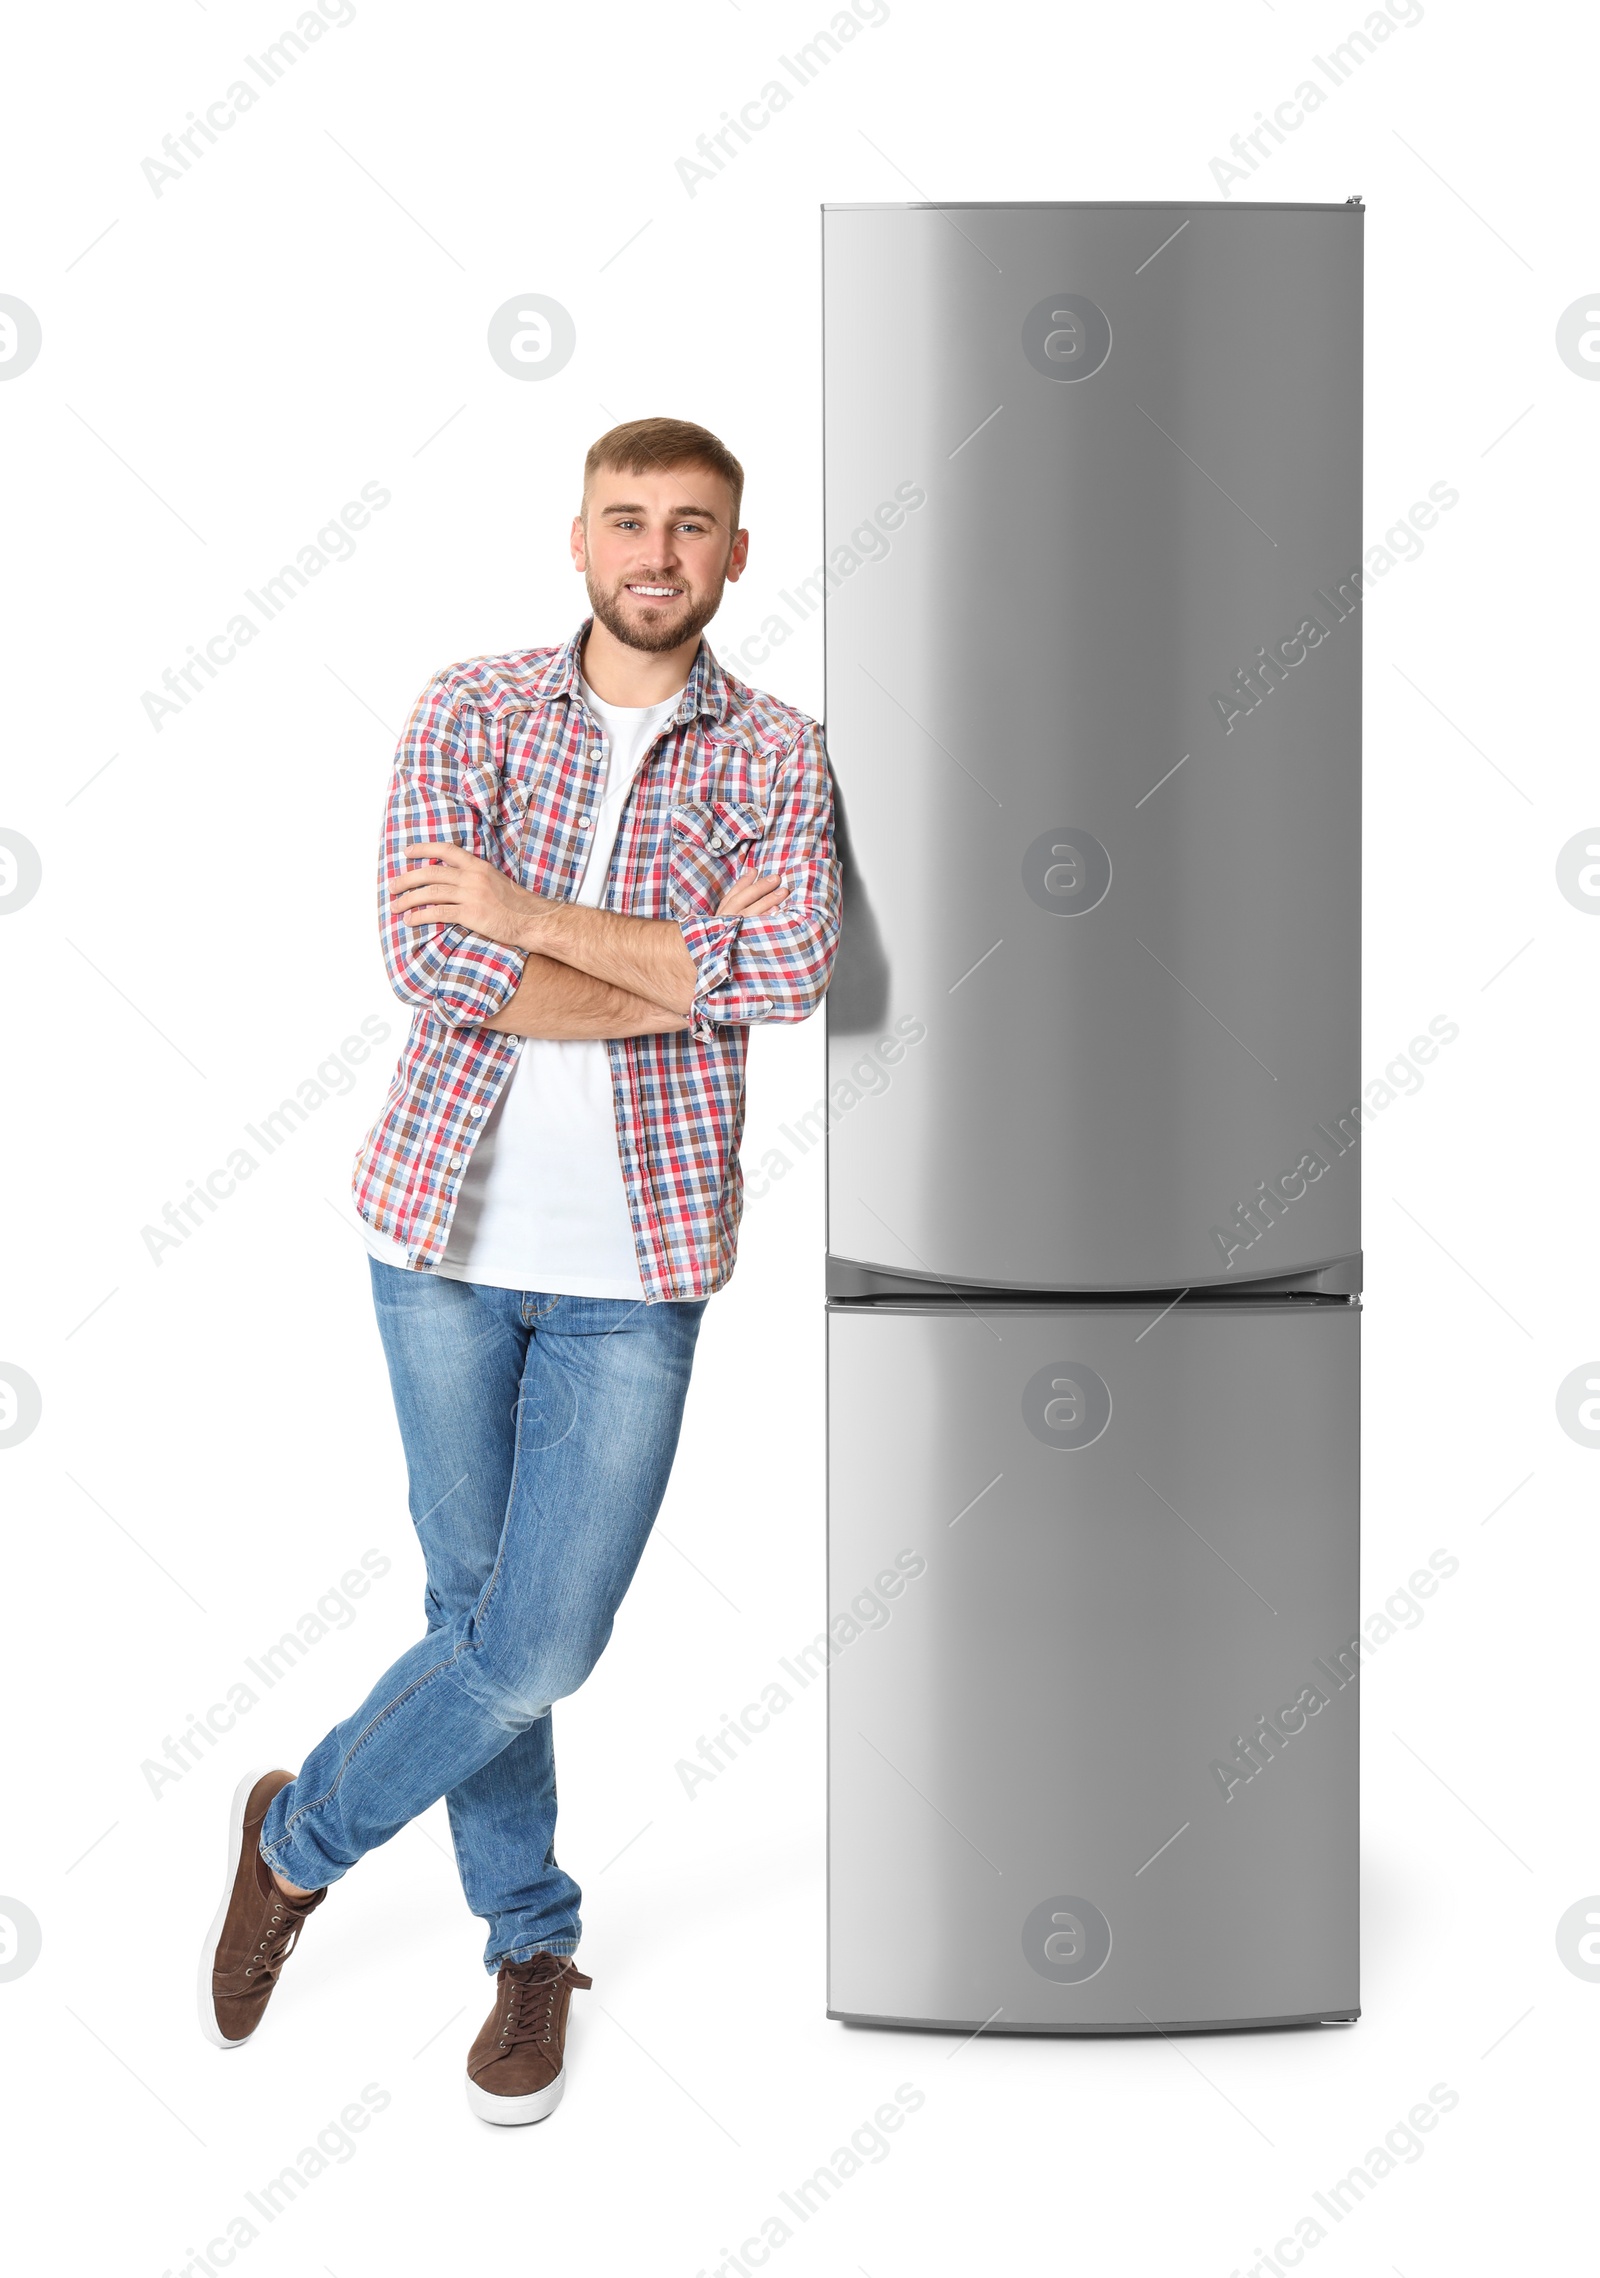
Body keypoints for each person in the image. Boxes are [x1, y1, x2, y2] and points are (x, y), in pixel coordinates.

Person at [197, 416, 841, 2124]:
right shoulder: (472, 706)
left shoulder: (782, 750)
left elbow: (788, 963)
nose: (656, 553)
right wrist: (661, 973)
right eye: (626, 521)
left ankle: (294, 1838)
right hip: (441, 1245)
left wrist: (527, 912)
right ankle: (532, 1944)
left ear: (734, 556)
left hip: (642, 1263)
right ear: (576, 540)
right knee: (473, 1623)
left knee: (532, 1645)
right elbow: (426, 953)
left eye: (690, 527)